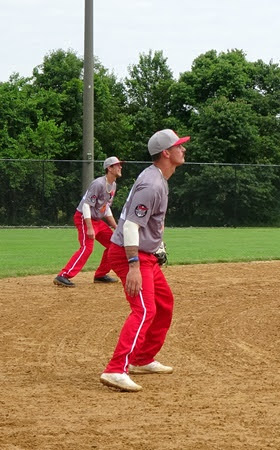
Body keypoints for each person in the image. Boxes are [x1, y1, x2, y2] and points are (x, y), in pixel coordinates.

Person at [99, 129, 189, 392]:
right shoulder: (152, 184)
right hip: (130, 254)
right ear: (166, 153)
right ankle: (116, 369)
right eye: (178, 146)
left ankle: (142, 357)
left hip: (145, 254)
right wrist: (134, 266)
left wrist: (156, 244)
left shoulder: (159, 178)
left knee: (163, 304)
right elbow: (130, 226)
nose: (183, 149)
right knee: (144, 309)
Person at [53, 156, 123, 287]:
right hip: (84, 218)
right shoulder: (98, 184)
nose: (120, 167)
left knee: (114, 244)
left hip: (97, 220)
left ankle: (100, 275)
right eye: (117, 165)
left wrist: (116, 227)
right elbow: (86, 205)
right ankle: (63, 275)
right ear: (109, 168)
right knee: (87, 248)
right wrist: (90, 227)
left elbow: (105, 207)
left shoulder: (113, 185)